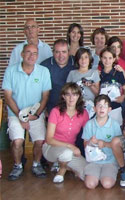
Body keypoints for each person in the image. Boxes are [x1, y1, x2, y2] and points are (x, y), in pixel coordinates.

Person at [3, 44, 51, 180]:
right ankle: (17, 166)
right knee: (17, 141)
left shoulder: (44, 71)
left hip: (35, 114)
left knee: (39, 141)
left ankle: (36, 164)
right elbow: (7, 96)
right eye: (28, 52)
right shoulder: (11, 71)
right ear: (22, 54)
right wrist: (21, 116)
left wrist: (35, 115)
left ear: (37, 55)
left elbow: (45, 96)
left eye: (34, 53)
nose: (31, 56)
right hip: (15, 114)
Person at [42, 83, 89, 183]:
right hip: (51, 148)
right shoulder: (56, 111)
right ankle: (61, 171)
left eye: (75, 94)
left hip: (70, 151)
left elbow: (87, 135)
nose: (71, 98)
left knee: (87, 175)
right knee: (66, 152)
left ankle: (65, 166)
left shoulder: (83, 113)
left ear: (79, 96)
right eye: (68, 94)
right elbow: (49, 139)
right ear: (63, 96)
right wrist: (70, 146)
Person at [82, 95, 122, 189]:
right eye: (99, 105)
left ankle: (106, 174)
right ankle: (96, 175)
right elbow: (85, 145)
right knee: (90, 184)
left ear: (109, 109)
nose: (101, 108)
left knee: (107, 184)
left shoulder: (115, 125)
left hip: (110, 160)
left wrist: (104, 144)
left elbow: (119, 145)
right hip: (93, 161)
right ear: (94, 108)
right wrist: (90, 142)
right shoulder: (89, 124)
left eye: (104, 106)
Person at [41, 39, 75, 113]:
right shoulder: (44, 66)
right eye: (57, 52)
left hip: (73, 111)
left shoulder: (77, 63)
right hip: (51, 110)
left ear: (69, 52)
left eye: (64, 52)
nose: (60, 56)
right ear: (53, 53)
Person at [99, 47, 125, 125]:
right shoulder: (98, 74)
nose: (107, 61)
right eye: (105, 58)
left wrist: (123, 97)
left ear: (114, 59)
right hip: (102, 107)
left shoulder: (118, 73)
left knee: (116, 129)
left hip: (116, 106)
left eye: (110, 58)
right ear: (101, 58)